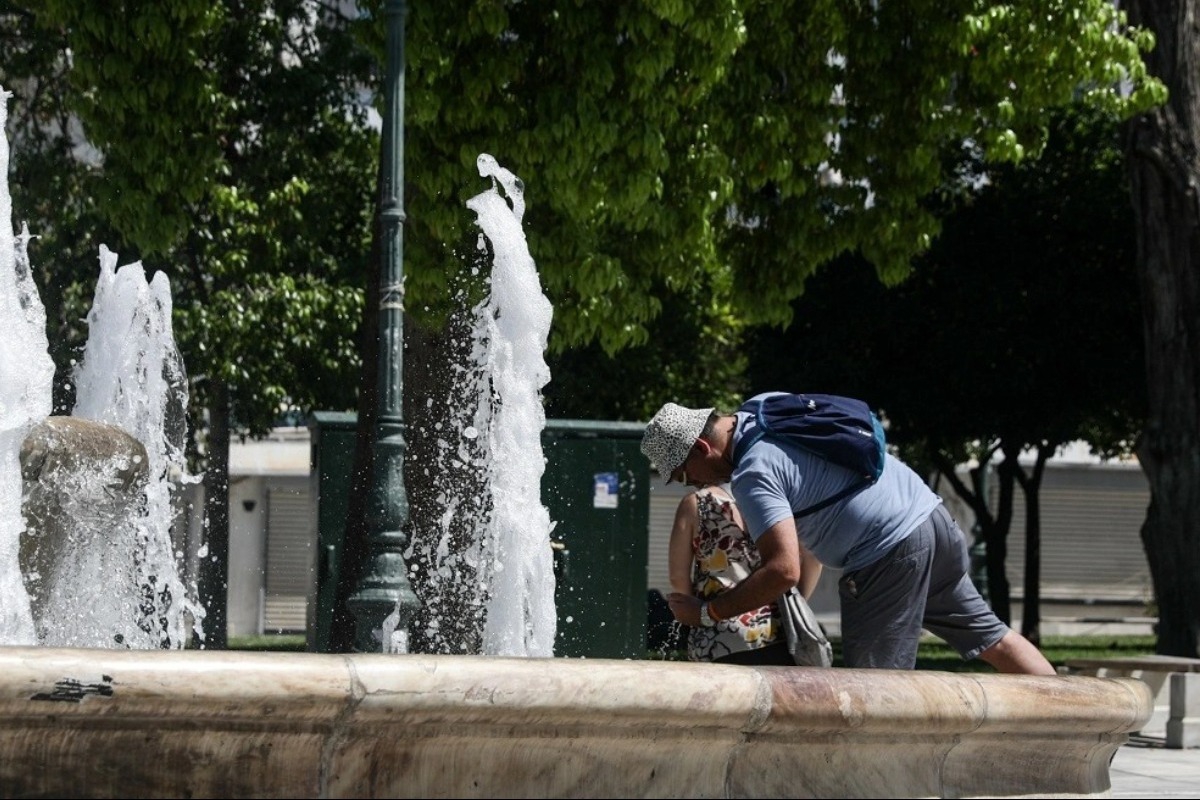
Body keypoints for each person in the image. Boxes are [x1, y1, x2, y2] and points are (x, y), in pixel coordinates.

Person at [641, 394, 1057, 674]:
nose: (689, 484)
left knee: (874, 694)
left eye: (682, 473)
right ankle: (1078, 728)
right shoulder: (762, 407)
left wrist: (709, 613)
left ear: (700, 448)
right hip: (930, 519)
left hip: (887, 554)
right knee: (994, 639)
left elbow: (783, 570)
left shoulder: (753, 473)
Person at [669, 483, 822, 665]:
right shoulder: (781, 500)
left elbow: (677, 576)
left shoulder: (696, 503)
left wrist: (696, 615)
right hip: (779, 632)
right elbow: (813, 557)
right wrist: (796, 601)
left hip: (717, 636)